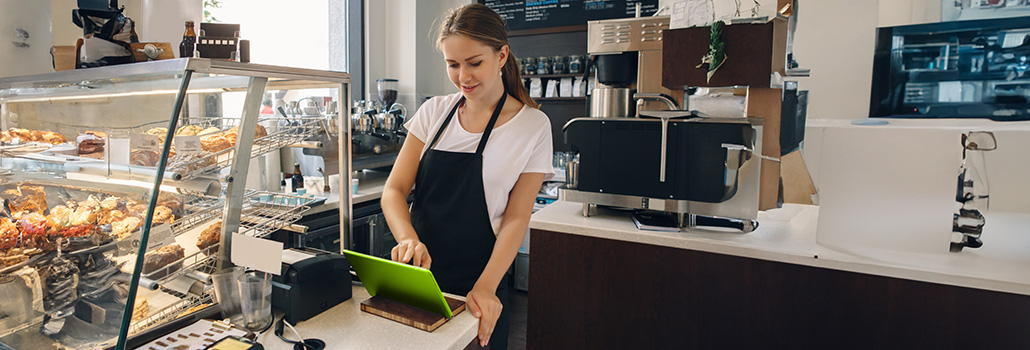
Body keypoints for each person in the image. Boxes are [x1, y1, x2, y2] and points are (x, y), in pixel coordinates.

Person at [381, 4, 553, 349]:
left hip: (480, 281)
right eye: (453, 64)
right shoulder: (433, 112)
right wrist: (408, 239)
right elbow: (394, 190)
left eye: (475, 63)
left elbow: (518, 216)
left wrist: (487, 285)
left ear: (502, 55)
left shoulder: (533, 126)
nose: (464, 77)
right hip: (418, 279)